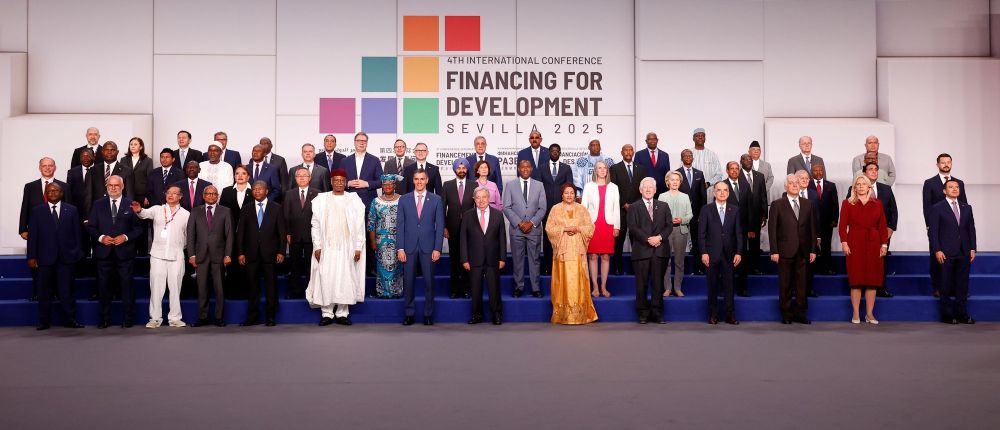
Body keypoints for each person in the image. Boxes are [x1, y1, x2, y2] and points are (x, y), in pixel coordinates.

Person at [307, 169, 367, 326]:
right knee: (326, 276)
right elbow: (315, 225)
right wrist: (318, 246)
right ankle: (326, 313)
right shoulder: (322, 199)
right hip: (327, 246)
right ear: (331, 182)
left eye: (342, 180)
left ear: (346, 183)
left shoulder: (353, 199)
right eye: (336, 180)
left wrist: (358, 247)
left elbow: (360, 226)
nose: (339, 183)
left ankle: (342, 313)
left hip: (347, 246)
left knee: (345, 277)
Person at [87, 175, 143, 328]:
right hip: (103, 253)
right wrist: (101, 237)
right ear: (107, 187)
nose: (113, 188)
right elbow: (91, 227)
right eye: (110, 185)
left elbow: (139, 228)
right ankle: (104, 319)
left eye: (116, 185)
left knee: (127, 287)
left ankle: (128, 319)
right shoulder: (98, 205)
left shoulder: (131, 204)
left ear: (122, 186)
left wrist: (125, 237)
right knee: (103, 288)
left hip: (125, 254)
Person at [27, 183, 84, 330]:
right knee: (44, 291)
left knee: (67, 291)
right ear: (46, 193)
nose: (53, 193)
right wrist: (31, 256)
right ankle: (44, 322)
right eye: (50, 190)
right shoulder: (37, 211)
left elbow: (77, 234)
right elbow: (33, 236)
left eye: (56, 190)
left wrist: (78, 253)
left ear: (61, 193)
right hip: (44, 258)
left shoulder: (72, 210)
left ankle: (70, 320)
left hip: (66, 258)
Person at [132, 185, 189, 328]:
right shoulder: (157, 209)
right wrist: (139, 210)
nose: (170, 195)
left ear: (180, 196)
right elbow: (144, 213)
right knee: (156, 288)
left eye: (174, 193)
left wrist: (180, 246)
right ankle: (155, 318)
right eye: (168, 193)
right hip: (157, 255)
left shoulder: (186, 214)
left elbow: (188, 237)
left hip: (176, 256)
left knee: (176, 288)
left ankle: (175, 318)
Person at [396, 169, 445, 326]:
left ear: (427, 180)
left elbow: (440, 225)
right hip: (408, 248)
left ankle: (428, 314)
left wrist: (438, 248)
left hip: (429, 248)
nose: (419, 182)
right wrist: (400, 248)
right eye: (416, 179)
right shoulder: (403, 199)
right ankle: (409, 313)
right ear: (413, 180)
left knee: (429, 283)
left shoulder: (436, 199)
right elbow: (400, 225)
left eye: (422, 179)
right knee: (409, 282)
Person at [545, 183, 598, 325]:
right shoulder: (555, 209)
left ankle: (581, 314)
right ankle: (563, 314)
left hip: (578, 252)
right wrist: (564, 229)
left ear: (575, 194)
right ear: (562, 194)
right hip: (563, 252)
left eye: (572, 193)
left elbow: (590, 227)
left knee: (579, 280)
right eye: (566, 193)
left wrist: (578, 228)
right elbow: (549, 228)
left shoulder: (581, 209)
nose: (569, 195)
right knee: (564, 281)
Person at [839, 174, 888, 325]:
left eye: (863, 184)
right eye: (858, 184)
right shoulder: (848, 203)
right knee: (856, 280)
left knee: (872, 281)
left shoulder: (877, 203)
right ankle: (855, 313)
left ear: (869, 187)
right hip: (855, 242)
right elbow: (842, 226)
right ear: (855, 187)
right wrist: (844, 243)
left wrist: (884, 245)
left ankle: (869, 314)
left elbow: (882, 226)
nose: (860, 186)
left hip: (874, 243)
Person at [236, 181, 286, 327]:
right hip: (250, 254)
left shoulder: (276, 208)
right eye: (255, 189)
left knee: (271, 286)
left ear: (267, 191)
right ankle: (252, 317)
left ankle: (271, 317)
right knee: (252, 287)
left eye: (260, 189)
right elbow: (240, 234)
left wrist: (281, 251)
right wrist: (240, 253)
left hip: (270, 254)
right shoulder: (246, 209)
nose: (257, 191)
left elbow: (282, 232)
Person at [768, 175, 816, 325]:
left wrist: (813, 250)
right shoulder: (777, 204)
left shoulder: (808, 204)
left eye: (797, 183)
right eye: (791, 183)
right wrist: (774, 250)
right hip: (784, 251)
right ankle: (786, 314)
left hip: (803, 251)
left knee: (802, 285)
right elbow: (772, 230)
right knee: (785, 284)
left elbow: (812, 229)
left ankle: (801, 314)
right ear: (786, 187)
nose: (795, 185)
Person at [928, 179, 977, 324]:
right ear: (944, 191)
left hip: (964, 251)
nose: (955, 189)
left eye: (957, 187)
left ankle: (962, 313)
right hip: (946, 251)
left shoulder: (966, 207)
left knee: (962, 284)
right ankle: (947, 315)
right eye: (951, 187)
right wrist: (937, 250)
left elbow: (971, 229)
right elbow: (934, 232)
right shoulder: (937, 208)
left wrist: (973, 248)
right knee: (945, 284)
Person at [922, 153, 967, 298]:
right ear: (937, 165)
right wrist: (930, 227)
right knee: (936, 258)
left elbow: (964, 205)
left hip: (956, 229)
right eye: (943, 162)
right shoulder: (930, 183)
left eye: (948, 162)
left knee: (957, 258)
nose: (946, 164)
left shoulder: (959, 183)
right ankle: (938, 287)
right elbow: (927, 207)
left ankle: (954, 288)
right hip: (937, 228)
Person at [628, 177, 673, 324]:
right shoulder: (634, 207)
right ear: (640, 190)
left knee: (658, 284)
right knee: (641, 284)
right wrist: (648, 239)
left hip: (660, 251)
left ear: (655, 190)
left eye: (651, 187)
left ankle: (657, 313)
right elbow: (633, 227)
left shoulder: (664, 206)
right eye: (645, 187)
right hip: (642, 251)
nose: (648, 190)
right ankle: (643, 313)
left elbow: (669, 226)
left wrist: (659, 238)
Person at [186, 185, 232, 327]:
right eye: (208, 194)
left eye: (214, 194)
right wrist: (191, 255)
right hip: (200, 256)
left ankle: (219, 317)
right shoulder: (195, 211)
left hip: (219, 255)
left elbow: (229, 235)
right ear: (203, 196)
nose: (211, 196)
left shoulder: (225, 211)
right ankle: (203, 317)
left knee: (219, 288)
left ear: (217, 196)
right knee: (202, 287)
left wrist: (228, 255)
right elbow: (191, 235)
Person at [462, 187, 507, 325]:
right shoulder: (468, 215)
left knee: (494, 288)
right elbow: (463, 238)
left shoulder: (498, 215)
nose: (481, 200)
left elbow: (502, 238)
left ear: (489, 198)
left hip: (493, 258)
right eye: (478, 198)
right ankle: (477, 315)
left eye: (484, 197)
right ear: (474, 200)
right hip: (474, 258)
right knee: (475, 289)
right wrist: (464, 259)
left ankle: (496, 314)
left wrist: (502, 258)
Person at [700, 181, 743, 325]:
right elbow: (701, 234)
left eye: (725, 190)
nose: (722, 192)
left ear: (729, 193)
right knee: (712, 286)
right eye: (719, 190)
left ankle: (730, 315)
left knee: (729, 286)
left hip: (730, 254)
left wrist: (739, 252)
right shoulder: (706, 209)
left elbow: (739, 233)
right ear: (714, 193)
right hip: (711, 254)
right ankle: (712, 315)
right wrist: (703, 252)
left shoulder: (735, 209)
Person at [502, 160, 547, 298]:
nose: (525, 169)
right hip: (517, 230)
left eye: (528, 167)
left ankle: (535, 288)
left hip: (534, 229)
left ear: (531, 169)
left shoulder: (539, 185)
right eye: (522, 167)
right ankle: (519, 287)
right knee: (517, 259)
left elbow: (542, 208)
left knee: (534, 260)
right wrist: (519, 223)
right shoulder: (510, 185)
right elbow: (506, 207)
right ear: (518, 169)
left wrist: (532, 222)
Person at [344, 131, 383, 275]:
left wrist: (367, 183)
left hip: (368, 203)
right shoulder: (345, 161)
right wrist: (347, 183)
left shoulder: (374, 160)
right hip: (349, 204)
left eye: (364, 141)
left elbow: (381, 181)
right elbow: (338, 181)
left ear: (367, 143)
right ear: (354, 142)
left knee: (369, 235)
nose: (361, 143)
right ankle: (350, 267)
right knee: (350, 236)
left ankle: (370, 268)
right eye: (359, 140)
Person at [581, 160, 620, 298]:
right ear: (595, 170)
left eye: (604, 168)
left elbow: (616, 208)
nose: (602, 170)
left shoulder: (614, 187)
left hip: (608, 224)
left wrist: (617, 226)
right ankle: (595, 287)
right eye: (599, 168)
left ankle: (603, 286)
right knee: (592, 256)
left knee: (605, 256)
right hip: (593, 225)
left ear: (607, 171)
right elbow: (583, 208)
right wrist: (584, 227)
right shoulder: (588, 186)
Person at [860, 162, 898, 298]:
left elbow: (893, 210)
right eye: (870, 169)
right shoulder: (855, 189)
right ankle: (863, 287)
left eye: (876, 169)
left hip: (883, 232)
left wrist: (891, 227)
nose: (874, 172)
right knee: (863, 260)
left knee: (882, 260)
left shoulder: (886, 189)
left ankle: (881, 288)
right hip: (862, 233)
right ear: (864, 173)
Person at [609, 144, 646, 275]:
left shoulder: (641, 169)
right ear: (621, 152)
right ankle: (618, 268)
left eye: (630, 150)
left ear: (633, 152)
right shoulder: (614, 168)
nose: (628, 152)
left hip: (637, 211)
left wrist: (635, 206)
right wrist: (624, 203)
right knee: (618, 242)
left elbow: (644, 189)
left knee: (637, 241)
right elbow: (613, 189)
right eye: (626, 150)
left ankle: (636, 269)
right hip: (621, 211)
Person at [442, 158, 476, 298]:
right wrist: (444, 227)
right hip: (453, 229)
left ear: (467, 169)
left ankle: (467, 289)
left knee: (468, 260)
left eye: (464, 168)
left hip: (470, 229)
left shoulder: (474, 185)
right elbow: (442, 208)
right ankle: (455, 289)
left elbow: (478, 207)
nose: (461, 170)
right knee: (454, 260)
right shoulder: (447, 185)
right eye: (459, 168)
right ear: (455, 169)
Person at [284, 169, 320, 299]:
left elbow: (320, 216)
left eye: (305, 175)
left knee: (312, 264)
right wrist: (287, 232)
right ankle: (295, 291)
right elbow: (286, 215)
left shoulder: (317, 193)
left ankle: (313, 291)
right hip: (294, 234)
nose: (302, 178)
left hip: (312, 235)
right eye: (299, 176)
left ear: (310, 178)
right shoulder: (289, 194)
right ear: (295, 178)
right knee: (294, 264)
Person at [539, 143, 574, 274]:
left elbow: (569, 187)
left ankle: (561, 267)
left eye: (557, 151)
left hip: (562, 209)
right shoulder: (542, 168)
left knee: (562, 238)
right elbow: (539, 189)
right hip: (546, 209)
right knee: (548, 238)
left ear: (560, 152)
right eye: (552, 151)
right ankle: (548, 267)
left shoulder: (566, 168)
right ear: (549, 152)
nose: (554, 153)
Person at [220, 165, 253, 300]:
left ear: (248, 176)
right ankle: (232, 293)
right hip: (230, 233)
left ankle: (246, 293)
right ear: (234, 176)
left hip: (250, 235)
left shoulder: (254, 191)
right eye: (237, 173)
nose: (240, 176)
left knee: (247, 264)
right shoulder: (227, 191)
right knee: (232, 263)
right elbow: (221, 212)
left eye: (243, 173)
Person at [368, 174, 404, 299]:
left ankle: (396, 291)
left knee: (397, 266)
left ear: (394, 185)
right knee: (382, 267)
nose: (388, 186)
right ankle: (383, 292)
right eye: (385, 184)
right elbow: (371, 223)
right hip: (381, 240)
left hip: (398, 239)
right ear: (382, 186)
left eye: (390, 184)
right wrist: (373, 241)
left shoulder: (402, 199)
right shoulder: (376, 201)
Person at [737, 154, 768, 295]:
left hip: (755, 214)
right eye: (745, 160)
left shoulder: (760, 176)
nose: (748, 162)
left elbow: (763, 196)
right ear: (741, 162)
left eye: (750, 160)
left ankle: (755, 267)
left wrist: (764, 214)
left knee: (755, 243)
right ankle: (741, 267)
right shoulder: (737, 175)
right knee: (741, 243)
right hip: (739, 216)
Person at [658, 172, 692, 297]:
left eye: (677, 180)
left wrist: (682, 219)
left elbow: (690, 214)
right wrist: (668, 221)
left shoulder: (685, 196)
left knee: (679, 261)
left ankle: (677, 288)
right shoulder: (662, 196)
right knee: (665, 260)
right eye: (672, 179)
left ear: (680, 182)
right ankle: (667, 288)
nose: (675, 182)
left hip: (681, 231)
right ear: (668, 181)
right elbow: (658, 215)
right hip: (666, 231)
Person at [677, 149, 707, 275]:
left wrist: (702, 213)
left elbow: (703, 196)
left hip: (696, 214)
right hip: (680, 214)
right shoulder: (676, 173)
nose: (688, 157)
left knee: (697, 242)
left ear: (693, 158)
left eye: (690, 155)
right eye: (685, 155)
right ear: (682, 157)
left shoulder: (699, 173)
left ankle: (698, 268)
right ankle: (680, 270)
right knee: (679, 243)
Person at [794, 169, 821, 298]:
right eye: (802, 178)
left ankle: (808, 289)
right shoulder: (786, 194)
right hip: (793, 238)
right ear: (796, 180)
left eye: (807, 179)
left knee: (809, 265)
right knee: (794, 266)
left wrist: (818, 236)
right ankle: (795, 290)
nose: (805, 181)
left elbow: (817, 217)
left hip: (809, 237)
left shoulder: (814, 195)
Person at [809, 164, 840, 276]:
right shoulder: (807, 185)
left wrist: (835, 219)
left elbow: (835, 204)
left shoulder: (831, 185)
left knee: (826, 246)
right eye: (815, 170)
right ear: (811, 172)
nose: (818, 172)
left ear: (823, 172)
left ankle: (827, 268)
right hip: (812, 222)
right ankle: (814, 268)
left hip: (827, 222)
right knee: (813, 246)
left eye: (820, 170)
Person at [633, 132, 670, 196]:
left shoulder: (665, 155)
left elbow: (667, 174)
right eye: (650, 139)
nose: (652, 141)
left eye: (654, 139)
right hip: (645, 191)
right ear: (646, 141)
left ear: (657, 140)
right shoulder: (639, 155)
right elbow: (636, 174)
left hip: (662, 191)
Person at [121, 137, 153, 209]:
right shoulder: (123, 160)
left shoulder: (148, 160)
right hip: (126, 193)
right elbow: (121, 177)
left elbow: (150, 179)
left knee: (140, 216)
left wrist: (147, 196)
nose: (132, 146)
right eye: (131, 144)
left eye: (135, 144)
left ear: (141, 147)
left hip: (141, 194)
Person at [66, 148, 95, 214]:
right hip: (77, 210)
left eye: (88, 156)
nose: (85, 159)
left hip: (95, 209)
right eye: (83, 156)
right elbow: (69, 192)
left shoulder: (99, 170)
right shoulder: (72, 172)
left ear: (93, 157)